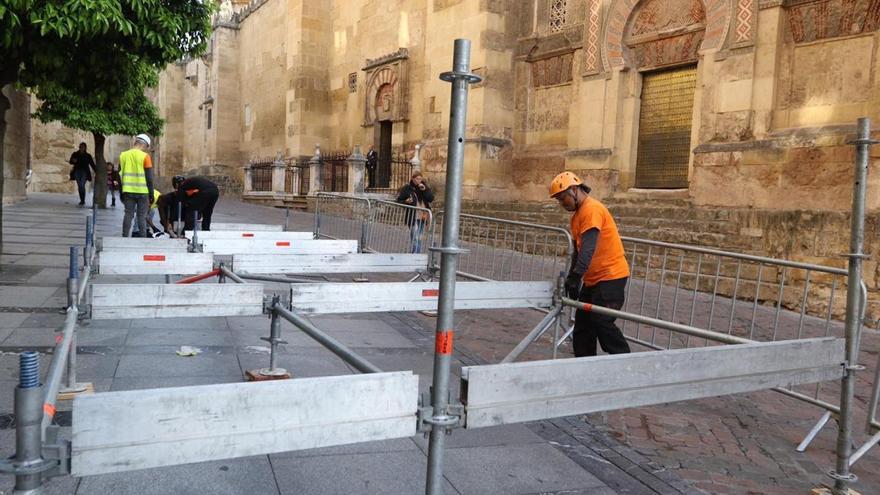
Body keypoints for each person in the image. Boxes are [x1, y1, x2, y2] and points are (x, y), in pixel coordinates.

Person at [550, 171, 631, 358]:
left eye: (563, 199)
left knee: (602, 321)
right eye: (559, 201)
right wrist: (573, 278)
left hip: (611, 276)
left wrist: (577, 275)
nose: (562, 204)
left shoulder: (592, 209)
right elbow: (578, 251)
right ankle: (584, 364)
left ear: (574, 190)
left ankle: (625, 360)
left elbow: (588, 248)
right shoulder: (577, 216)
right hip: (594, 279)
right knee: (583, 327)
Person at [118, 134, 155, 237]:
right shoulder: (145, 157)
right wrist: (151, 194)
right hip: (143, 192)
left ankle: (124, 236)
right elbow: (149, 178)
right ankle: (142, 238)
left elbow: (119, 176)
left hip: (128, 191)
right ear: (144, 145)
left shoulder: (123, 155)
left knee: (128, 214)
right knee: (141, 216)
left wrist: (121, 192)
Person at [396, 170, 433, 253]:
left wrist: (425, 190)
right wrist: (406, 201)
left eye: (420, 179)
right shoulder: (407, 188)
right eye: (417, 179)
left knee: (419, 237)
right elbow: (399, 200)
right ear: (412, 179)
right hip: (412, 216)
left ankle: (415, 253)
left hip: (423, 216)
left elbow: (431, 199)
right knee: (415, 236)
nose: (418, 181)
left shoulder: (424, 187)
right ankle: (415, 254)